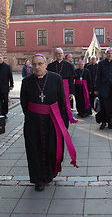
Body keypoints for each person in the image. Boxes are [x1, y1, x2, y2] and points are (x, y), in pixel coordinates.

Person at [20, 54, 78, 191]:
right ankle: (38, 179)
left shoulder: (56, 78)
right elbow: (24, 103)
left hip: (52, 121)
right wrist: (31, 116)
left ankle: (50, 173)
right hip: (33, 123)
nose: (37, 67)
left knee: (52, 148)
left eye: (40, 64)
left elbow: (61, 101)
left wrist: (62, 121)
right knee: (34, 150)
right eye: (34, 64)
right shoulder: (26, 82)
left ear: (46, 64)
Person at [47, 48, 78, 126]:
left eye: (61, 53)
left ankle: (65, 124)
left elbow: (72, 80)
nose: (60, 55)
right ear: (55, 55)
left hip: (66, 88)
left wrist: (71, 92)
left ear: (63, 55)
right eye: (58, 53)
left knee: (65, 106)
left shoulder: (69, 65)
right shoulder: (51, 66)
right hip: (54, 88)